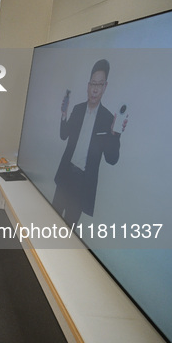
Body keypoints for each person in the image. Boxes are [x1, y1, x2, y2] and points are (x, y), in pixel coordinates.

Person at [53, 59, 127, 227]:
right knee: (52, 218)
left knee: (68, 228)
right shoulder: (78, 110)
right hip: (66, 175)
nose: (95, 89)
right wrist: (64, 114)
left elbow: (111, 159)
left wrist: (115, 135)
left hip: (83, 184)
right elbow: (64, 135)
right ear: (88, 85)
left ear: (105, 87)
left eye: (99, 84)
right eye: (93, 83)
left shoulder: (108, 119)